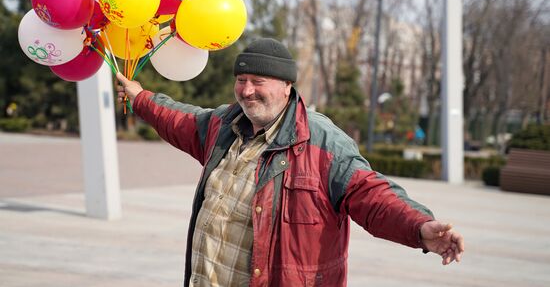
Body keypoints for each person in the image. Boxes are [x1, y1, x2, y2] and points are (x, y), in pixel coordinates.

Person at [116, 38, 464, 287]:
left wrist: (419, 227)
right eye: (241, 80)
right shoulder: (222, 127)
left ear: (286, 86)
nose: (247, 90)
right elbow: (178, 118)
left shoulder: (323, 142)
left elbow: (372, 195)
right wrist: (140, 97)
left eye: (258, 81)